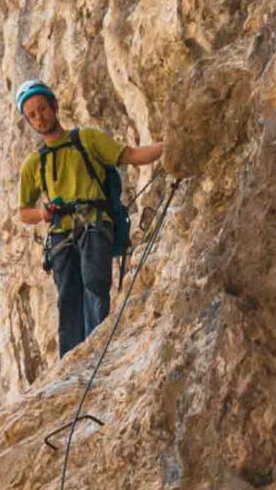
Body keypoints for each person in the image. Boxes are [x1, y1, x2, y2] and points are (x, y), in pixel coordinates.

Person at [14, 77, 166, 357]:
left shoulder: (87, 139)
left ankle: (97, 350)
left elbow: (130, 155)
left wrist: (169, 148)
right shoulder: (33, 164)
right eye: (32, 115)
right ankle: (72, 358)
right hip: (61, 232)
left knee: (95, 283)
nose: (40, 117)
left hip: (94, 223)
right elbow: (25, 213)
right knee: (68, 298)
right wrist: (43, 213)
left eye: (43, 109)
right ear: (28, 121)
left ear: (54, 106)